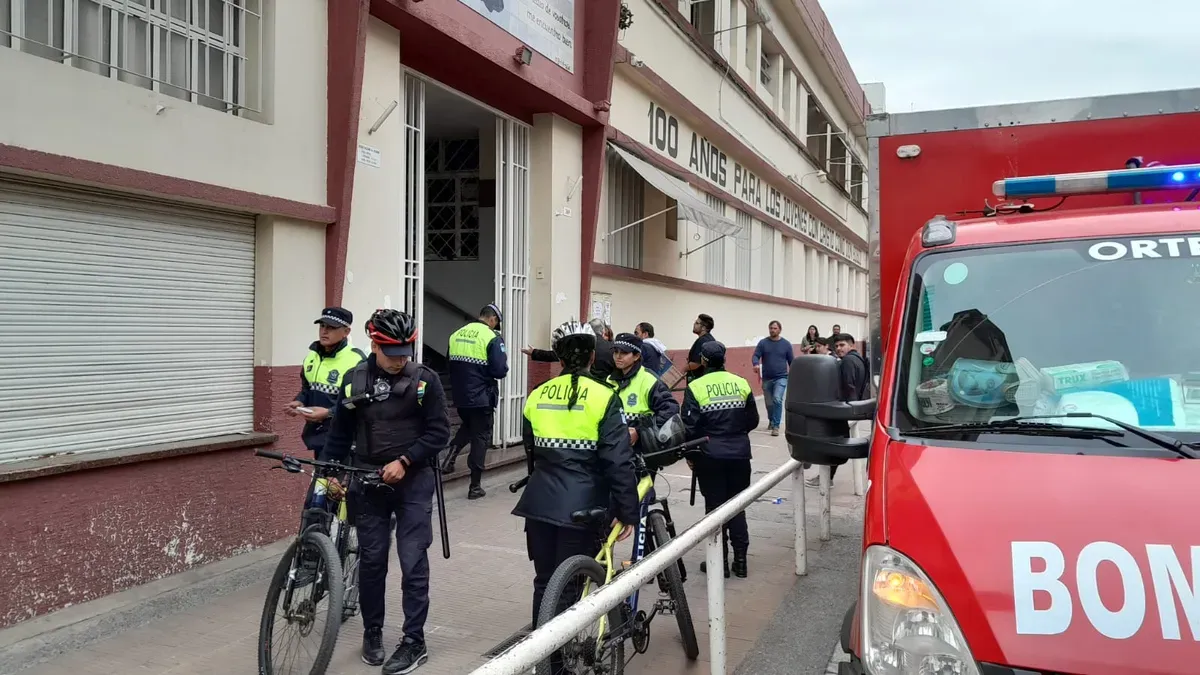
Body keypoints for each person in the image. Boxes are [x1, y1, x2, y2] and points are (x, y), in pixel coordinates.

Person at [321, 309, 451, 674]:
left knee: (412, 562)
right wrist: (330, 473)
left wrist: (406, 461)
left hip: (413, 481)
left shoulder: (425, 381)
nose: (399, 359)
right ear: (375, 344)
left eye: (406, 351)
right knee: (373, 560)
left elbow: (440, 433)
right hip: (367, 480)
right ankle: (372, 632)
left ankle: (414, 641)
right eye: (392, 351)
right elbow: (339, 435)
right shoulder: (354, 380)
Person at [515, 319, 640, 657]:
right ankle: (561, 662)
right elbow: (617, 460)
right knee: (570, 588)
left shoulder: (537, 395)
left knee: (544, 583)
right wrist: (629, 510)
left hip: (538, 503)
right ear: (590, 356)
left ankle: (542, 659)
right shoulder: (604, 396)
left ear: (559, 356)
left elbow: (532, 453)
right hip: (583, 507)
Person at [682, 341, 758, 578]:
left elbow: (690, 427)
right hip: (739, 454)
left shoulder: (696, 387)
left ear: (703, 361)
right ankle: (741, 561)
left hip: (710, 455)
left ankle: (720, 563)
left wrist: (691, 456)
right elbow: (752, 420)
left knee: (714, 509)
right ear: (724, 359)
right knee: (737, 507)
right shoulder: (741, 383)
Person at [443, 304, 509, 499]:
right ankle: (475, 485)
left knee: (469, 427)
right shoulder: (492, 338)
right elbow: (500, 370)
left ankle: (450, 457)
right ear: (492, 320)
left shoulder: (456, 334)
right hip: (482, 397)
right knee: (481, 436)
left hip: (461, 396)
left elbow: (448, 363)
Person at [285, 307, 366, 454]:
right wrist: (299, 401)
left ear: (346, 332)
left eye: (331, 327)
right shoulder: (312, 357)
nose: (324, 331)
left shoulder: (357, 360)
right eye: (322, 326)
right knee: (321, 476)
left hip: (345, 440)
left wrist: (329, 413)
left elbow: (361, 401)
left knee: (328, 478)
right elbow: (307, 389)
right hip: (318, 436)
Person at [807, 332, 869, 488]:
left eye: (842, 345)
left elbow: (848, 385)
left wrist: (848, 408)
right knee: (835, 444)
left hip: (844, 408)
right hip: (851, 407)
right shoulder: (858, 359)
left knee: (831, 444)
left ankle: (826, 479)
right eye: (837, 346)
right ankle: (826, 477)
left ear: (851, 345)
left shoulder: (847, 361)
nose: (839, 349)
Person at [609, 333, 680, 446]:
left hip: (641, 449)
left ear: (636, 356)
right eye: (616, 352)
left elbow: (670, 409)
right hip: (614, 447)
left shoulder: (649, 380)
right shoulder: (609, 380)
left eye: (624, 353)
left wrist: (639, 431)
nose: (618, 356)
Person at [521, 318, 616, 382]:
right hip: (603, 385)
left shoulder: (579, 345)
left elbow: (555, 355)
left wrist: (534, 352)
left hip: (579, 382)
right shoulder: (612, 348)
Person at [753, 320, 793, 436]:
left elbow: (791, 361)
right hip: (767, 378)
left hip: (781, 377)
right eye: (771, 328)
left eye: (775, 328)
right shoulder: (763, 343)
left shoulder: (786, 344)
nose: (772, 330)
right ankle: (771, 420)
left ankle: (776, 425)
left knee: (777, 399)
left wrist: (795, 373)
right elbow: (756, 355)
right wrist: (755, 363)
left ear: (780, 330)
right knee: (769, 403)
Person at [685, 313, 716, 383]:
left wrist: (683, 369)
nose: (694, 324)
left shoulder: (702, 341)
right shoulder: (710, 339)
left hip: (698, 380)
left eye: (697, 323)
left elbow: (696, 363)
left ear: (703, 328)